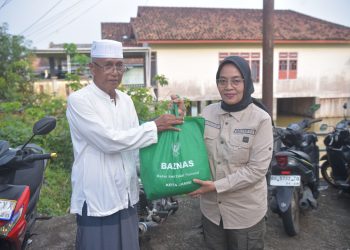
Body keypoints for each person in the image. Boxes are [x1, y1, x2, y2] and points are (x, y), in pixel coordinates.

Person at [66, 39, 183, 250]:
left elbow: (136, 143)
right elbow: (108, 141)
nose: (115, 71)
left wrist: (172, 120)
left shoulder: (126, 100)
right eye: (108, 65)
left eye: (119, 65)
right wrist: (155, 126)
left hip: (126, 196)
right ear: (92, 68)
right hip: (97, 198)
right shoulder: (79, 100)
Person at [189, 56, 273, 250]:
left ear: (247, 82)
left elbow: (256, 170)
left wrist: (215, 186)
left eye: (236, 80)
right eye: (222, 80)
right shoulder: (207, 113)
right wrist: (177, 116)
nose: (228, 87)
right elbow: (193, 149)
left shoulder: (261, 119)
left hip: (245, 214)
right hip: (211, 211)